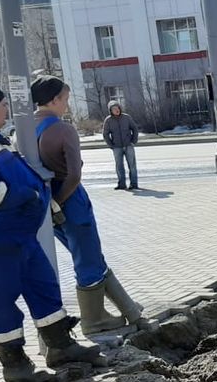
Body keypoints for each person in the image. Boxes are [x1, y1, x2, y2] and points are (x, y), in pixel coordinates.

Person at [0, 80, 103, 382]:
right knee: (1, 298)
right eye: (3, 106)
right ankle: (17, 368)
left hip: (19, 233)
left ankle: (61, 347)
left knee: (43, 286)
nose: (6, 111)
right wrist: (28, 195)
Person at [31, 75, 144, 336]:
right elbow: (74, 174)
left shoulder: (26, 130)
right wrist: (60, 202)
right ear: (54, 99)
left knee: (89, 256)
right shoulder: (61, 129)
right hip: (71, 201)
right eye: (66, 99)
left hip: (49, 204)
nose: (67, 105)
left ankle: (129, 308)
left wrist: (52, 204)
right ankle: (94, 319)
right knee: (88, 261)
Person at [102, 99, 140, 190]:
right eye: (114, 108)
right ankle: (122, 184)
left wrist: (133, 141)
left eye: (118, 108)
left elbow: (134, 128)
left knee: (132, 165)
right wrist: (111, 144)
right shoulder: (108, 120)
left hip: (128, 145)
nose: (117, 110)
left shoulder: (126, 117)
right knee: (119, 166)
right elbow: (105, 134)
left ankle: (134, 184)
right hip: (117, 147)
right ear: (110, 110)